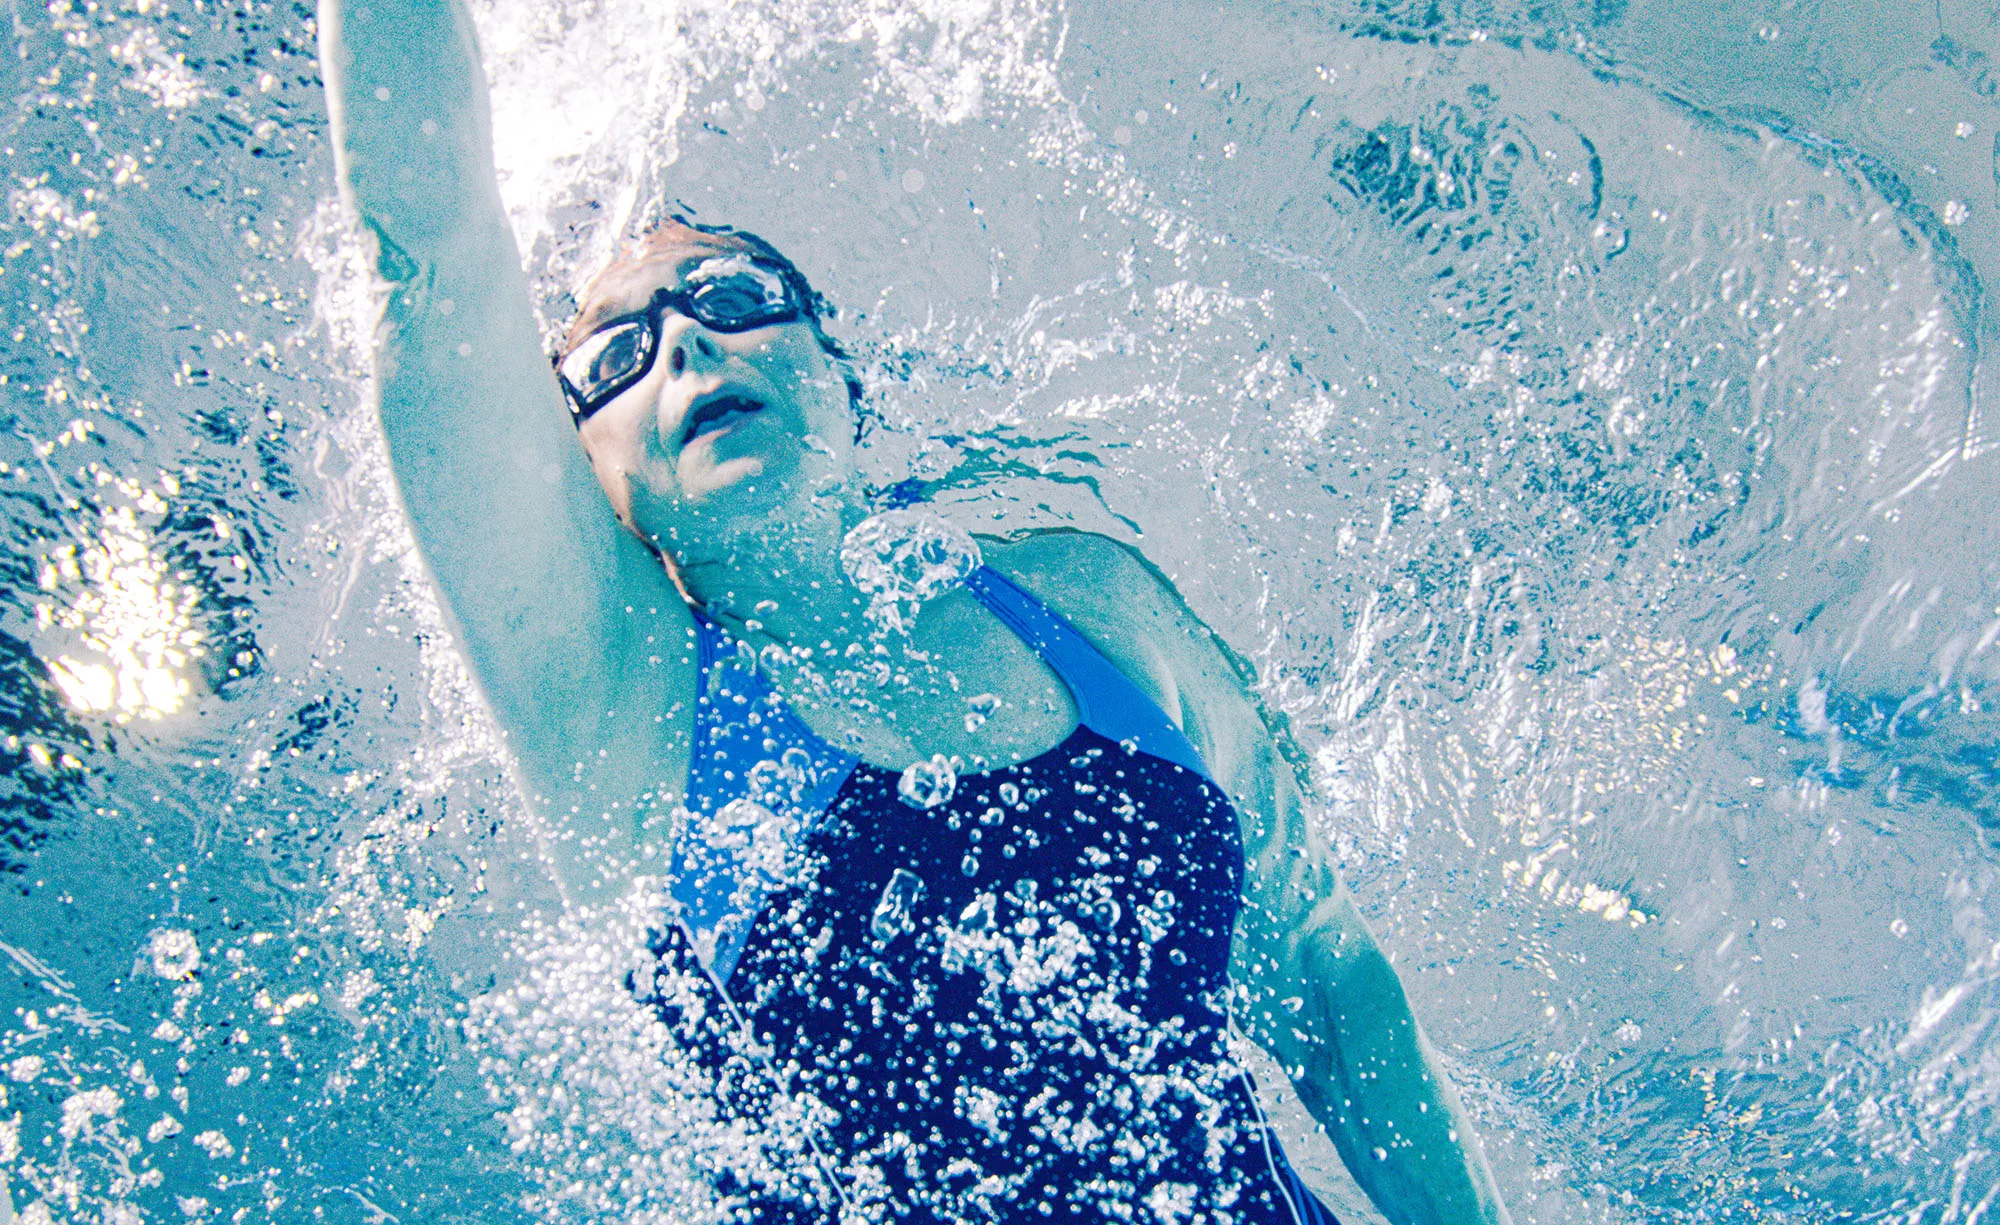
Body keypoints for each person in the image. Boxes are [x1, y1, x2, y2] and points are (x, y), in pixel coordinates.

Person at [316, 1, 1514, 1221]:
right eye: (609, 359)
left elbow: (1321, 973)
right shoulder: (622, 709)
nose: (683, 345)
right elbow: (426, 267)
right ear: (589, 477)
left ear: (837, 369)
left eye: (729, 294)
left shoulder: (1089, 601)